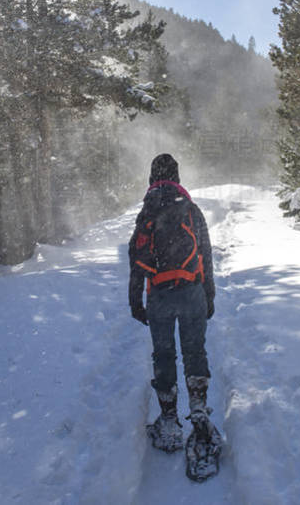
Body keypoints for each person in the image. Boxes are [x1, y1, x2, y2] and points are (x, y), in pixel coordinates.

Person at [128, 153, 215, 452]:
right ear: (177, 177)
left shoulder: (147, 211)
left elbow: (136, 260)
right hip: (192, 292)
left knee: (164, 356)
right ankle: (200, 411)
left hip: (159, 295)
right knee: (194, 351)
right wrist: (209, 294)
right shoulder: (191, 209)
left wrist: (135, 301)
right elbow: (206, 253)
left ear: (152, 177)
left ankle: (168, 420)